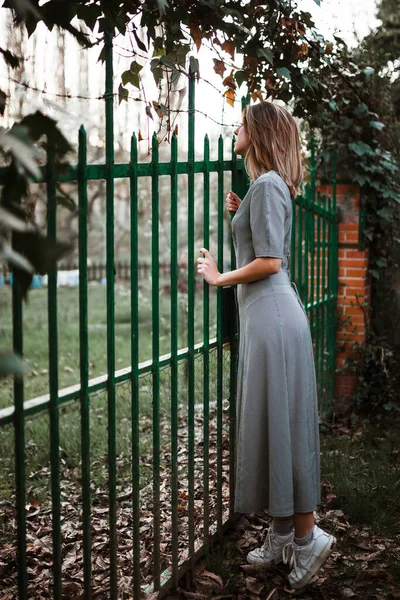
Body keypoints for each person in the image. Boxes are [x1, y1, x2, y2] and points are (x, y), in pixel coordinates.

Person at [196, 102, 336, 590]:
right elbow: (260, 240)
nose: (234, 130)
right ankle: (281, 535)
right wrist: (243, 212)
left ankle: (307, 540)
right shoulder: (263, 188)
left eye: (240, 124)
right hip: (266, 320)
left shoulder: (271, 185)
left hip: (274, 319)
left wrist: (218, 278)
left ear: (257, 133)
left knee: (286, 427)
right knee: (275, 424)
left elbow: (271, 262)